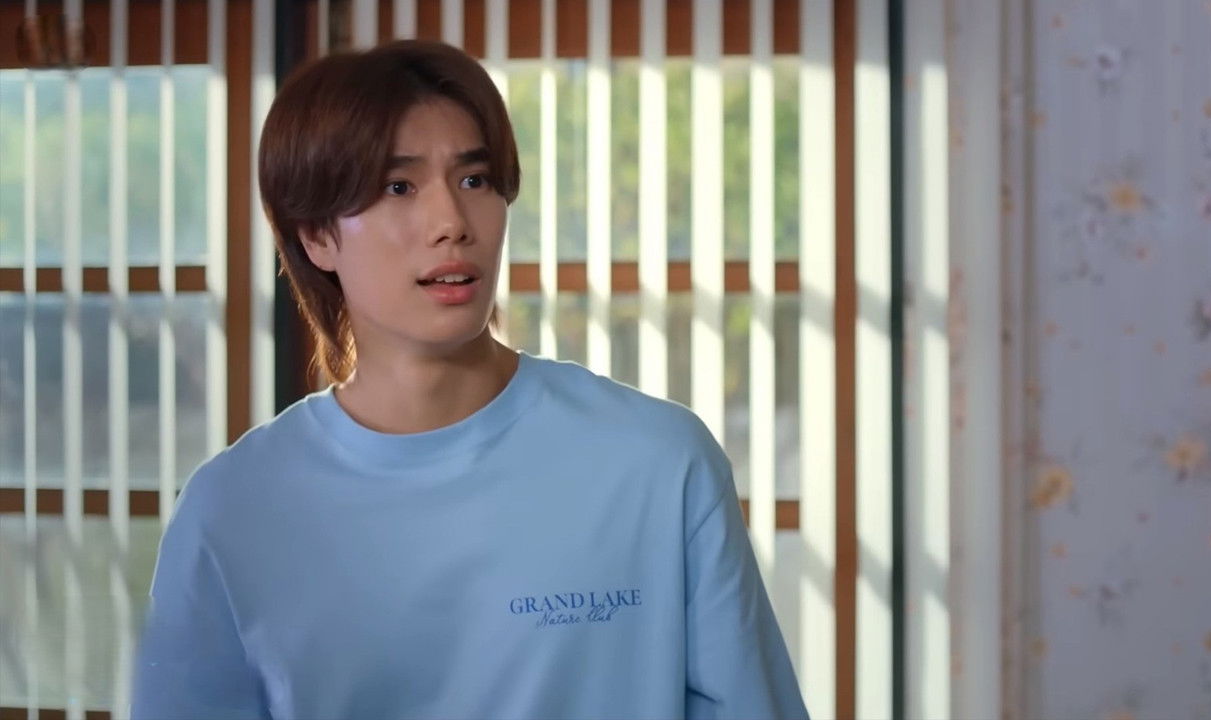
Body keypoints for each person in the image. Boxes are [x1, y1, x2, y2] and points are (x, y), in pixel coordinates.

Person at [131, 40, 807, 720]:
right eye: (398, 187)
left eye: (475, 180)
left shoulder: (659, 464)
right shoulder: (231, 511)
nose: (452, 223)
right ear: (317, 236)